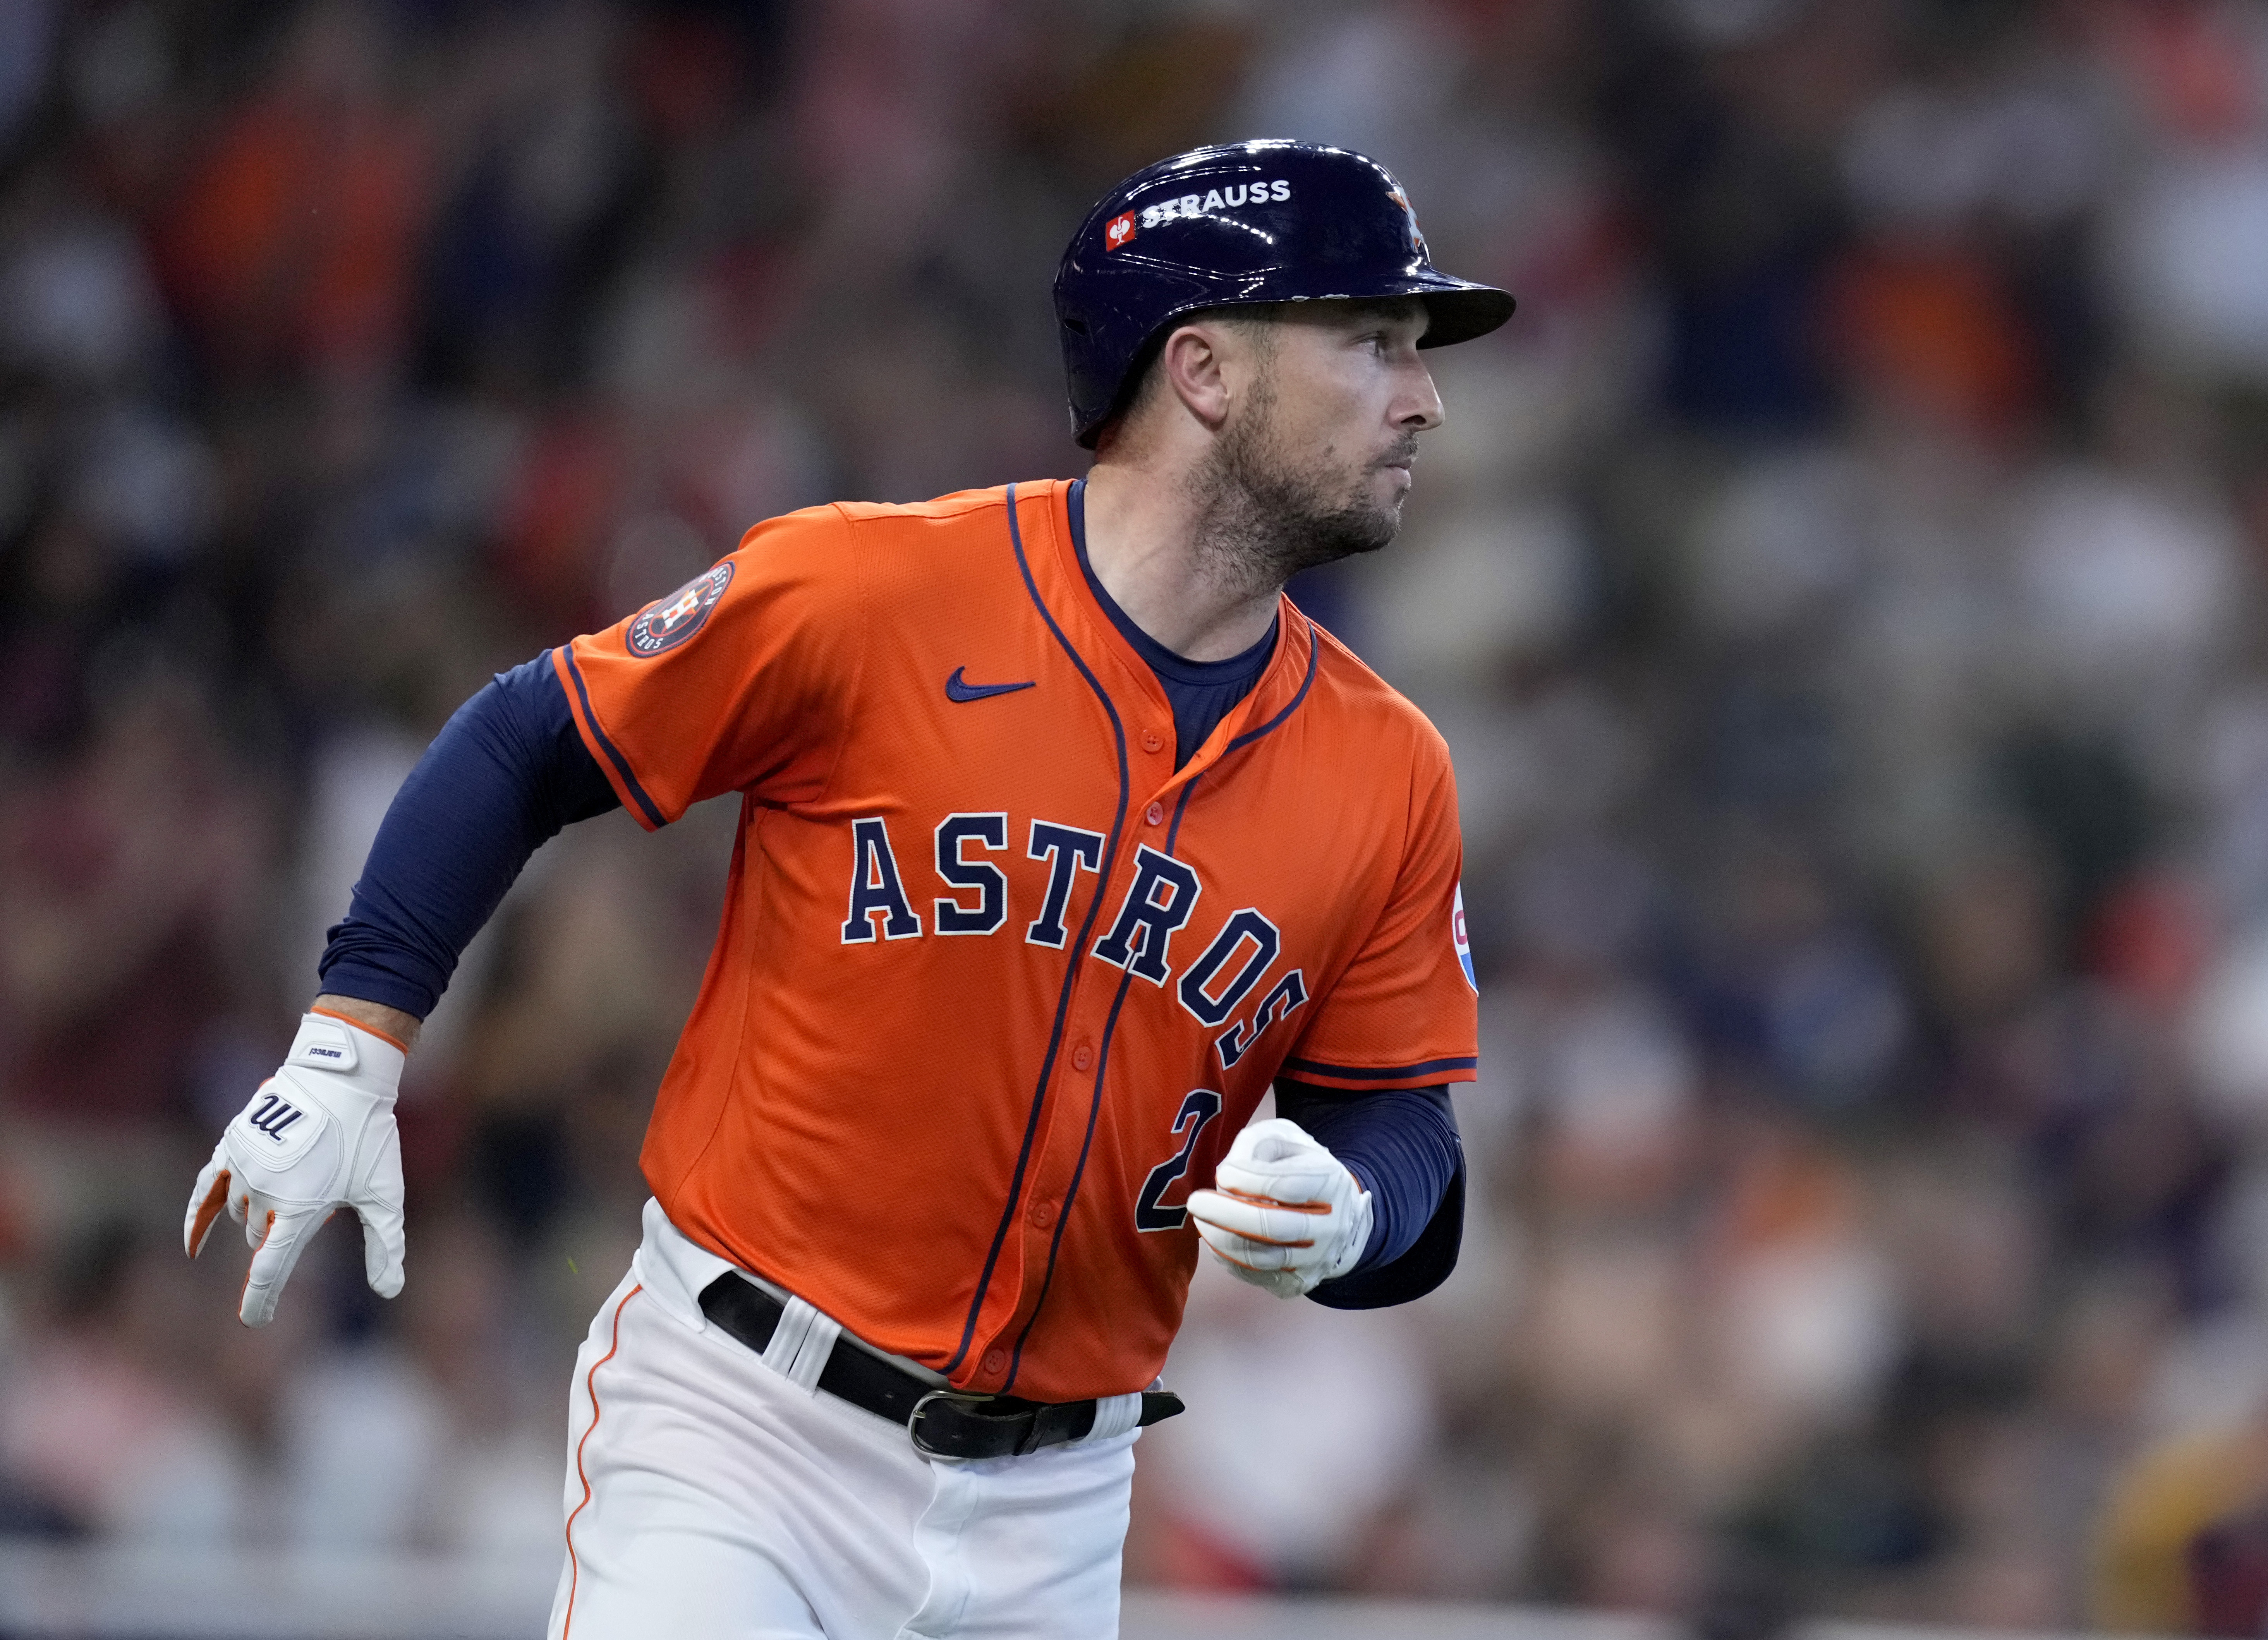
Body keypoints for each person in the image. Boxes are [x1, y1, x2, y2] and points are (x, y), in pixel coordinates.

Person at [180, 139, 1513, 1638]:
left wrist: (1350, 1214)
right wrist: (350, 1042)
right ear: (1201, 372)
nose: (1424, 397)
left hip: (1059, 1513)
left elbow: (1404, 1133)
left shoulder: (1389, 770)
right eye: (1370, 344)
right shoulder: (873, 595)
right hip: (745, 1433)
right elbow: (528, 737)